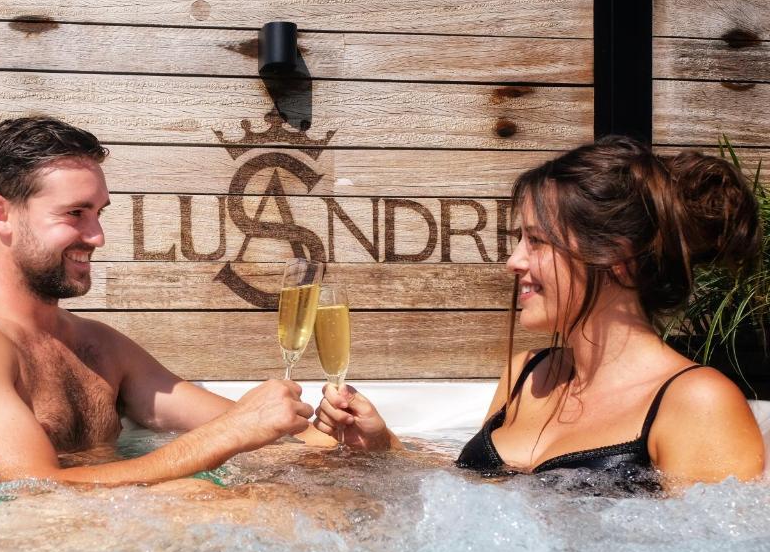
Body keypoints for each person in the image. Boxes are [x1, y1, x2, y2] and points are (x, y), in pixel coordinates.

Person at [0, 116, 333, 485]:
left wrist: (361, 441)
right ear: (2, 215)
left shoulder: (97, 346)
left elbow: (250, 426)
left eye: (98, 213)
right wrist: (227, 437)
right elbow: (31, 494)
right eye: (75, 213)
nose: (97, 236)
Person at [313, 136, 766, 486]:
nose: (514, 260)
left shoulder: (697, 402)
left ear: (617, 256)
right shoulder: (526, 374)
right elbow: (472, 494)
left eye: (538, 241)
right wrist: (384, 447)